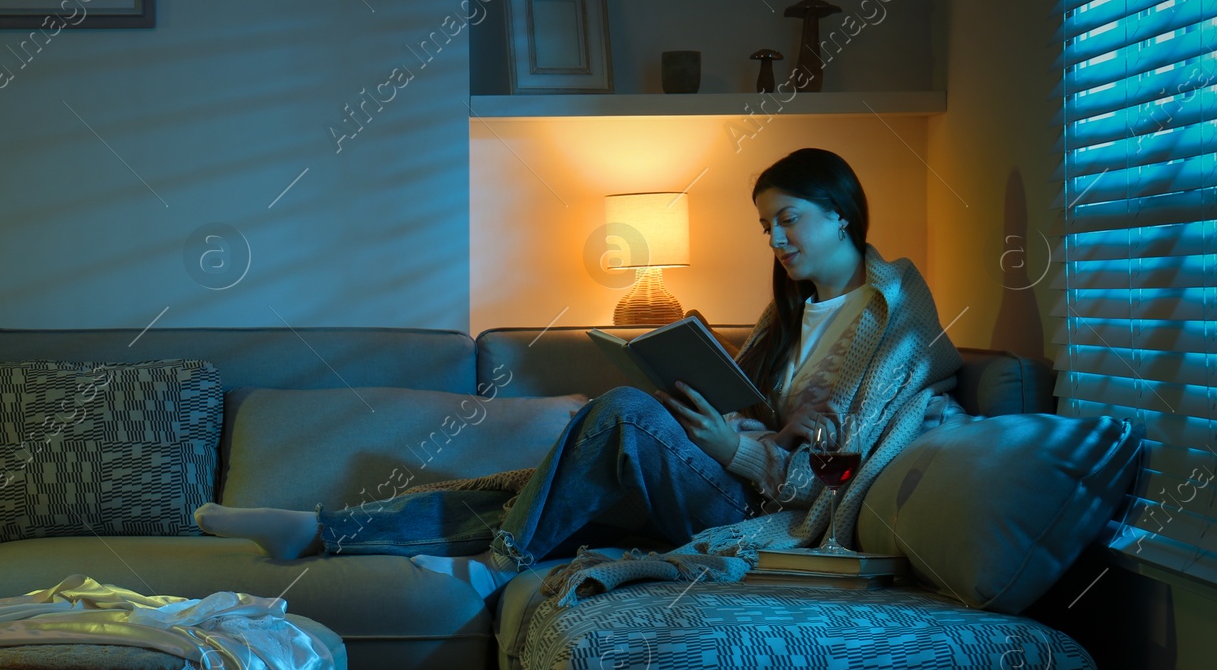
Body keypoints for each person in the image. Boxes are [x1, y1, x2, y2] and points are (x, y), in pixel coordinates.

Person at [196, 148, 964, 598]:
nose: (775, 238)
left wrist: (734, 449)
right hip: (725, 476)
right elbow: (773, 418)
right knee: (557, 484)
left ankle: (503, 563)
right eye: (765, 225)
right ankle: (317, 531)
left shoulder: (881, 322)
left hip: (762, 507)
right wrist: (734, 422)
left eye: (788, 218)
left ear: (840, 212)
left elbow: (833, 476)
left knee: (624, 411)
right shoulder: (791, 313)